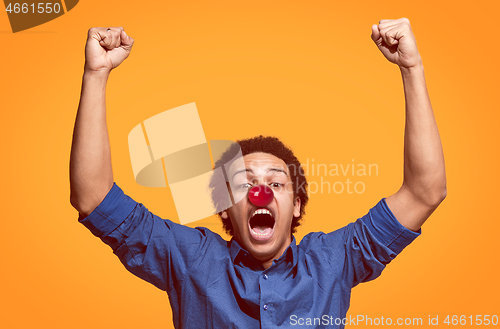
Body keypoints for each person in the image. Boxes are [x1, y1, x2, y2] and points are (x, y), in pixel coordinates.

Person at [70, 18, 446, 328]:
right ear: (224, 207)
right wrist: (96, 73)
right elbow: (93, 197)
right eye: (244, 184)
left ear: (296, 206)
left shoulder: (334, 260)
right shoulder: (189, 259)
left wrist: (411, 69)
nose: (259, 193)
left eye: (276, 183)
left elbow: (424, 192)